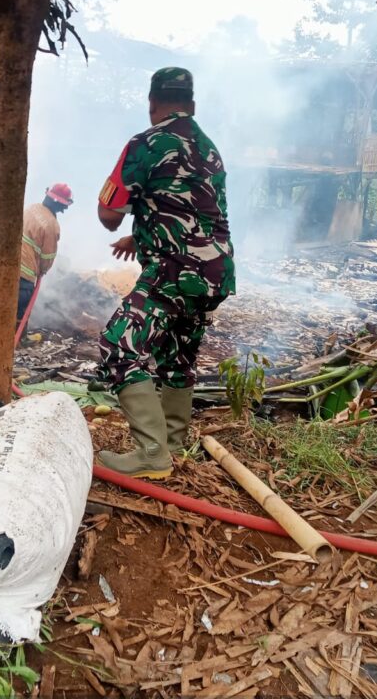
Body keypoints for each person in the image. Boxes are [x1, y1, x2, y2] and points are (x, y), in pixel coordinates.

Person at [94, 67, 236, 480]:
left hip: (174, 270)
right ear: (191, 105)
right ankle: (174, 443)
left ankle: (152, 453)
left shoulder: (145, 143)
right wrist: (141, 237)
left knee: (119, 345)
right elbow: (192, 212)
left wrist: (123, 219)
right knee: (178, 353)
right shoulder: (210, 149)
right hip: (215, 271)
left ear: (152, 103)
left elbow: (107, 215)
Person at [17, 183, 73, 326]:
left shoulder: (33, 208)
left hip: (8, 263)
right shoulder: (51, 226)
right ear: (58, 203)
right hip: (24, 275)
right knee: (20, 309)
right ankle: (17, 340)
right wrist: (43, 270)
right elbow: (48, 256)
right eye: (64, 205)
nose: (65, 209)